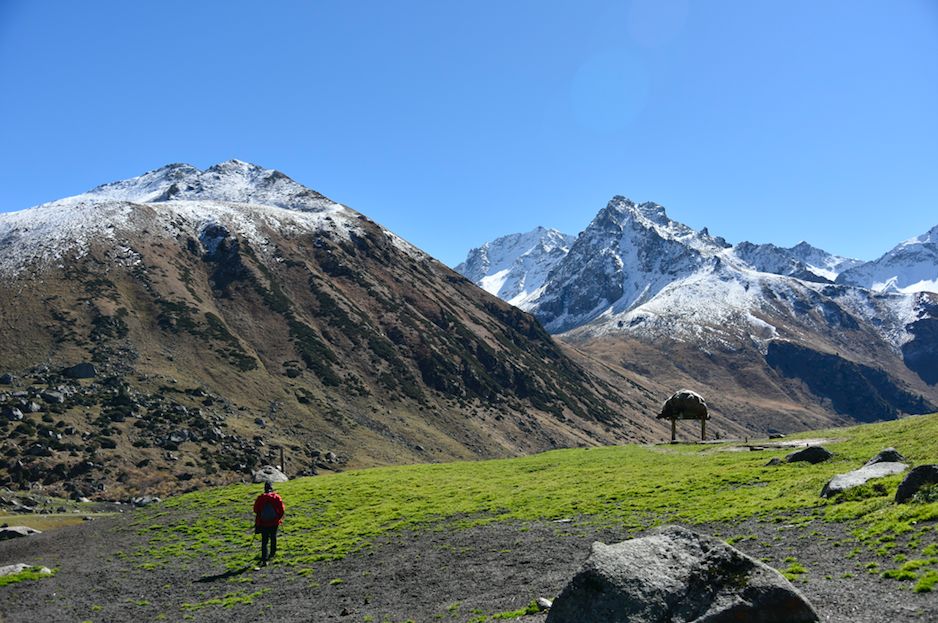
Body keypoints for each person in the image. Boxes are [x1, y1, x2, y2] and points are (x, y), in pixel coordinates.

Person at [253, 481, 285, 566]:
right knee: (273, 537)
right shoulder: (276, 497)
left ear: (264, 488)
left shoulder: (260, 498)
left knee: (264, 541)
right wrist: (278, 518)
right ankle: (272, 553)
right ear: (272, 488)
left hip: (263, 523)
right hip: (274, 522)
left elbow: (255, 510)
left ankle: (264, 559)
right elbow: (282, 510)